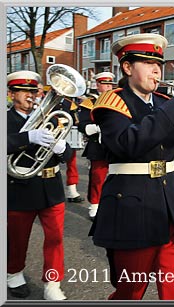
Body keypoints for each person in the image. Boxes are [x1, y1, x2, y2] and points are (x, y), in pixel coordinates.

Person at [89, 33, 174, 300]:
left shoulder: (164, 104)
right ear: (127, 67)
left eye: (159, 63)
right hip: (131, 209)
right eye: (147, 63)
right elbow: (128, 143)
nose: (157, 70)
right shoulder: (112, 103)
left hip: (171, 208)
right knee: (130, 292)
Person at [7, 70, 73, 300]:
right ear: (11, 94)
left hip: (51, 186)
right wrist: (27, 138)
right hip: (19, 186)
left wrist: (63, 149)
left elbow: (70, 153)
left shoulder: (51, 117)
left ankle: (53, 283)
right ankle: (13, 273)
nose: (31, 96)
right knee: (17, 237)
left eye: (34, 91)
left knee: (55, 238)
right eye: (24, 91)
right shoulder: (6, 119)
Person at [78, 72, 115, 220]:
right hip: (98, 145)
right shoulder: (90, 102)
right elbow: (83, 124)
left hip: (116, 145)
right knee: (97, 177)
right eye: (105, 84)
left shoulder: (118, 100)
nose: (108, 87)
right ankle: (94, 204)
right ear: (98, 85)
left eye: (110, 84)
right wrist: (101, 127)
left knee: (117, 177)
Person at [58, 97, 85, 204]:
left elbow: (75, 120)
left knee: (72, 164)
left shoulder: (69, 103)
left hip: (66, 135)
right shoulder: (45, 101)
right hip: (48, 133)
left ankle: (72, 192)